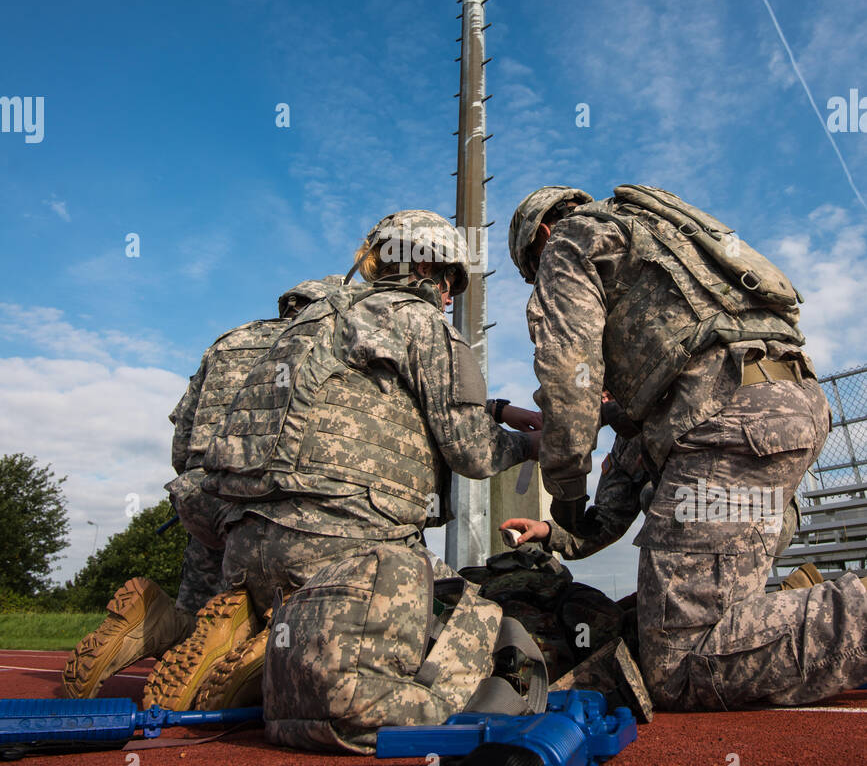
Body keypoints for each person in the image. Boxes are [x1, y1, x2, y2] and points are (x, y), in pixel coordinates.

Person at [149, 211, 541, 711]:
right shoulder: (422, 323)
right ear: (425, 265)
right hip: (341, 552)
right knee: (484, 634)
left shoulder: (307, 322)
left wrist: (497, 410)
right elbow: (474, 451)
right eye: (449, 281)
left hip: (242, 549)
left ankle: (249, 631)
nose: (449, 298)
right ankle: (273, 659)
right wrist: (531, 446)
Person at [503, 183, 867, 710]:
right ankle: (784, 608)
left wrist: (563, 488)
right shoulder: (660, 235)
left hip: (727, 423)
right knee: (675, 620)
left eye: (532, 270)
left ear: (540, 234)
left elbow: (567, 375)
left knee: (678, 661)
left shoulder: (569, 240)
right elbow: (611, 509)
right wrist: (556, 531)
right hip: (786, 408)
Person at [62, 280, 343, 700]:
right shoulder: (328, 340)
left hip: (202, 495)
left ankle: (155, 622)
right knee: (303, 614)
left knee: (198, 617)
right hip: (273, 504)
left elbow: (183, 441)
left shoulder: (229, 341)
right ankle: (249, 653)